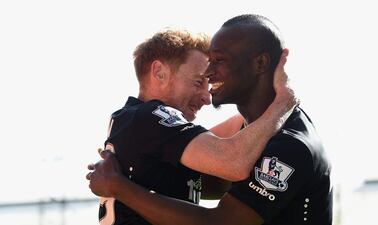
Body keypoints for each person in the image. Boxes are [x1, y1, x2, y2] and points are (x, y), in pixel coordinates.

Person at [92, 28, 297, 225]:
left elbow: (235, 132)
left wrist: (259, 94)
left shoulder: (135, 121)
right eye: (199, 82)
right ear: (159, 72)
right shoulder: (151, 116)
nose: (207, 98)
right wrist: (282, 103)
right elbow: (233, 161)